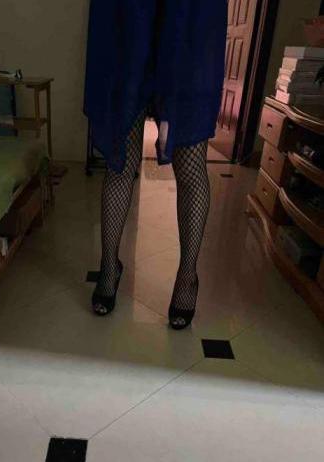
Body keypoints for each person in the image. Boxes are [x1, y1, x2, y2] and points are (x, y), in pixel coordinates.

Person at [84, 0, 227, 329]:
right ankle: (109, 266)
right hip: (129, 18)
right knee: (120, 164)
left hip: (190, 20)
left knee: (190, 167)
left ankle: (187, 276)